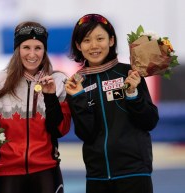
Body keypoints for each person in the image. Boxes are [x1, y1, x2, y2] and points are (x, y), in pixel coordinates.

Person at [65, 14, 159, 193]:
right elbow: (86, 133)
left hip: (134, 173)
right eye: (86, 40)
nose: (94, 46)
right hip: (97, 177)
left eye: (100, 38)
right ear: (78, 45)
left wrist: (133, 94)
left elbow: (150, 122)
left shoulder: (129, 74)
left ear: (111, 40)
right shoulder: (77, 84)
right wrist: (78, 97)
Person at [0, 21, 71, 193]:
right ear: (17, 49)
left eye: (38, 48)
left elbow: (60, 130)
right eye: (26, 47)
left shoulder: (58, 81)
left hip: (46, 171)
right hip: (7, 171)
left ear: (44, 50)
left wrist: (50, 96)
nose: (32, 54)